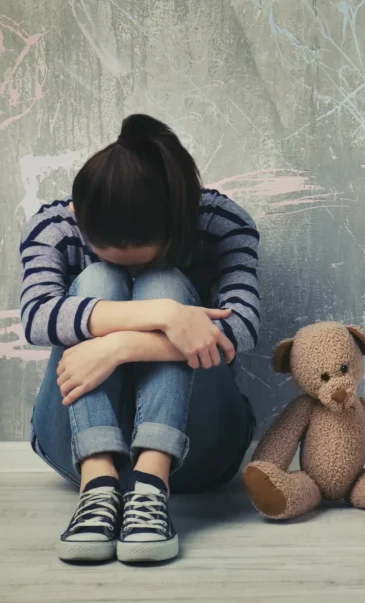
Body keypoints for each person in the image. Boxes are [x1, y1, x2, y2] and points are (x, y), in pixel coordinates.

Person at [21, 114, 260, 564]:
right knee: (98, 279)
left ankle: (152, 481)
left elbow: (242, 327)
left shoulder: (221, 222)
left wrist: (119, 346)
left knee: (164, 281)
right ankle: (98, 483)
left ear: (178, 223)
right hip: (74, 444)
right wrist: (163, 316)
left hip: (202, 445)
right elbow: (35, 318)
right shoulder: (55, 226)